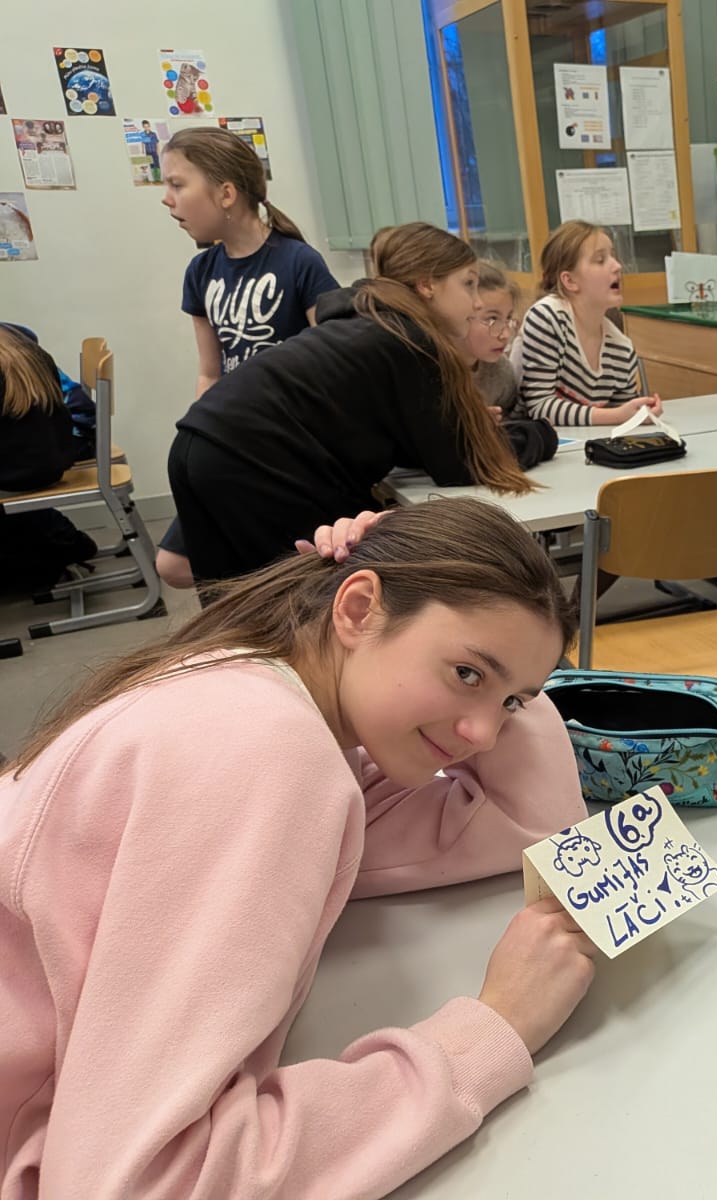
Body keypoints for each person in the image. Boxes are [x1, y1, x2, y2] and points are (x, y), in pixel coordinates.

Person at [0, 499, 597, 1196]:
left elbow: (534, 827)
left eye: (512, 703)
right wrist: (494, 1029)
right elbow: (140, 1182)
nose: (485, 735)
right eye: (467, 674)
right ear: (356, 610)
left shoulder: (268, 695)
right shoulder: (263, 750)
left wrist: (508, 675)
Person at [167, 222, 534, 588]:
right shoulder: (410, 340)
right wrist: (536, 435)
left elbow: (412, 442)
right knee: (311, 586)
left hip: (197, 440)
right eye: (468, 284)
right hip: (253, 455)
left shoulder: (368, 323)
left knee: (236, 596)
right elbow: (459, 464)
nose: (476, 301)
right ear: (427, 285)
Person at [157, 125, 341, 591]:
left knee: (266, 555)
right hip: (231, 441)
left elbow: (335, 366)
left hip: (285, 447)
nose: (166, 198)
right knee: (173, 565)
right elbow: (209, 371)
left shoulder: (299, 262)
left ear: (225, 193)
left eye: (177, 184)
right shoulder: (201, 271)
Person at [511, 220, 661, 426]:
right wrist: (618, 416)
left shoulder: (622, 348)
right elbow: (539, 406)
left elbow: (624, 411)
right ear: (570, 281)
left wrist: (641, 413)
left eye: (613, 256)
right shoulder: (547, 317)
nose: (617, 266)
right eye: (600, 260)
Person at [0, 324, 96, 592]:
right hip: (53, 457)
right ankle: (61, 539)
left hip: (22, 469)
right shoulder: (17, 339)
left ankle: (57, 544)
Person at [470, 259, 520, 418]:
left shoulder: (501, 372)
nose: (505, 334)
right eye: (492, 319)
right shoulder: (429, 369)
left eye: (508, 318)